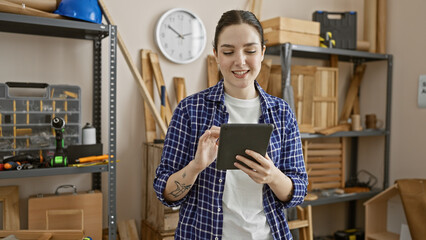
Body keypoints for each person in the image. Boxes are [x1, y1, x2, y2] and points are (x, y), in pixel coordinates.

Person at [154, 9, 308, 240]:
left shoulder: (281, 113)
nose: (240, 60)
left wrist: (272, 176)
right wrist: (196, 166)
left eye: (250, 50)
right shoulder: (190, 110)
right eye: (228, 51)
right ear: (216, 54)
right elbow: (165, 192)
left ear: (263, 53)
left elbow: (298, 191)